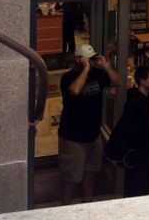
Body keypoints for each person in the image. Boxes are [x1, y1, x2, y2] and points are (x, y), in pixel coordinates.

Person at [58, 43, 121, 205]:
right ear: (78, 59)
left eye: (92, 59)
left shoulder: (98, 74)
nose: (91, 62)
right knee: (71, 177)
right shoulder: (67, 77)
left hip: (93, 134)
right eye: (87, 59)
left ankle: (88, 201)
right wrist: (85, 70)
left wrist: (106, 66)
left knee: (91, 170)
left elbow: (117, 82)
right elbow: (75, 91)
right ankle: (65, 209)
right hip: (72, 136)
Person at [109, 65, 149, 197]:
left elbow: (145, 122)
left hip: (141, 149)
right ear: (142, 81)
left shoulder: (143, 97)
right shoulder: (136, 100)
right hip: (137, 150)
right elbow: (132, 127)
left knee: (140, 183)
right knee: (137, 185)